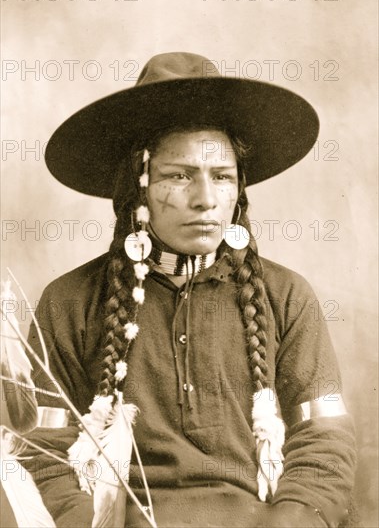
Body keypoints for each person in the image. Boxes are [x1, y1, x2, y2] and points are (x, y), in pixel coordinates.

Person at [21, 52, 356, 528]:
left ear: (239, 189)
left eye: (221, 177)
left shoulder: (286, 296)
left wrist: (292, 521)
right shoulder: (70, 302)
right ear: (137, 188)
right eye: (178, 176)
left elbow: (322, 439)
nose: (205, 200)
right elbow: (40, 450)